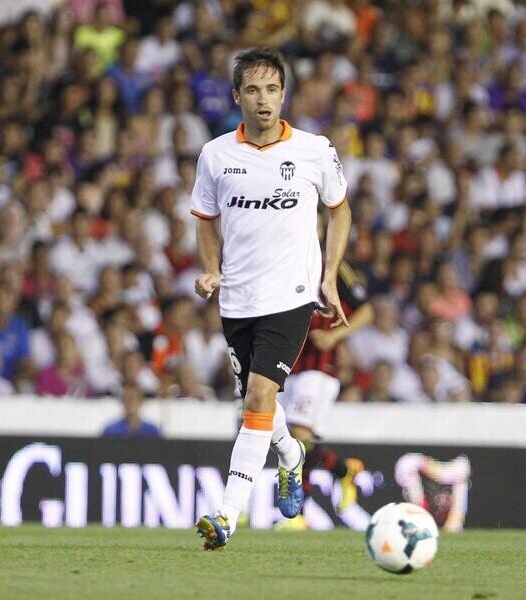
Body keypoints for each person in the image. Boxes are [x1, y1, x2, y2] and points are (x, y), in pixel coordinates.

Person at [191, 47, 351, 550]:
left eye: (273, 90)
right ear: (237, 96)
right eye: (254, 90)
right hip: (237, 298)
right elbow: (204, 218)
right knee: (259, 400)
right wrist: (211, 270)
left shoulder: (314, 150)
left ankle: (226, 516)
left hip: (292, 294)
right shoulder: (216, 155)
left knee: (258, 397)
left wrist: (329, 278)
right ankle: (290, 455)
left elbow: (340, 210)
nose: (264, 100)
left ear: (284, 94)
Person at [275, 261, 374, 531]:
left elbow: (366, 311)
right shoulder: (283, 260)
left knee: (298, 437)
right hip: (288, 366)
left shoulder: (333, 265)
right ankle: (344, 470)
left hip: (319, 367)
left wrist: (335, 337)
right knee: (289, 441)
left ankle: (297, 515)